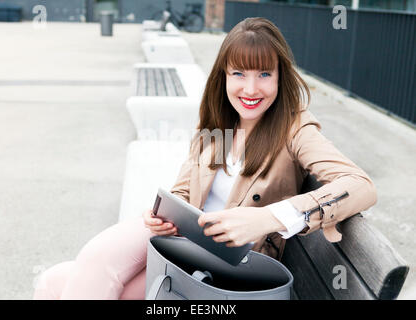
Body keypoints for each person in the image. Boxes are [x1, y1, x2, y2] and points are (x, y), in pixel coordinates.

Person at [33, 17, 377, 300]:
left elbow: (360, 186)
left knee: (72, 278)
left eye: (264, 74)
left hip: (225, 267)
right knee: (55, 280)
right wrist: (165, 214)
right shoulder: (217, 125)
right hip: (184, 243)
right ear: (223, 77)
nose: (251, 89)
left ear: (280, 76)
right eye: (239, 74)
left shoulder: (295, 129)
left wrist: (268, 218)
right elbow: (184, 190)